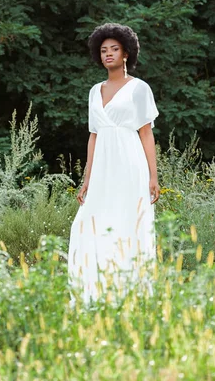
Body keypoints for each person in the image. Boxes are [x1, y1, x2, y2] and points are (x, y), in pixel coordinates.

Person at [67, 23, 160, 305]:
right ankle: (93, 294)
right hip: (103, 166)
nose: (108, 54)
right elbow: (93, 137)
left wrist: (153, 177)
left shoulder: (139, 88)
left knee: (127, 222)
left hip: (130, 164)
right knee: (87, 223)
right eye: (103, 50)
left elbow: (146, 133)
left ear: (125, 54)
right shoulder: (95, 91)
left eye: (114, 49)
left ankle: (130, 295)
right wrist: (87, 179)